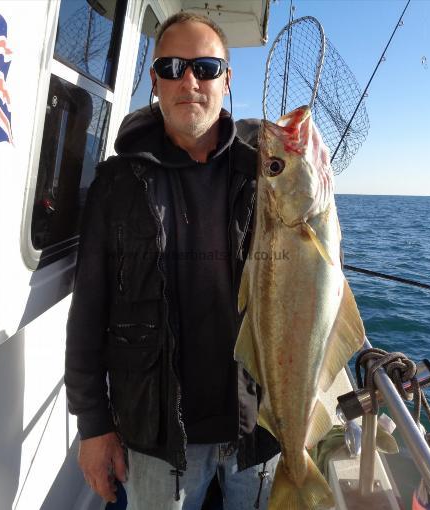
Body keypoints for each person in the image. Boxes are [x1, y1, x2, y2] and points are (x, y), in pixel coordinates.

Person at [64, 12, 280, 509]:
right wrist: (94, 427)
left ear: (227, 79)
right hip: (157, 436)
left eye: (205, 67)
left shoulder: (266, 177)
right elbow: (87, 315)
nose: (190, 81)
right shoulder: (116, 184)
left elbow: (308, 283)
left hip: (260, 423)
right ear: (154, 80)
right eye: (173, 66)